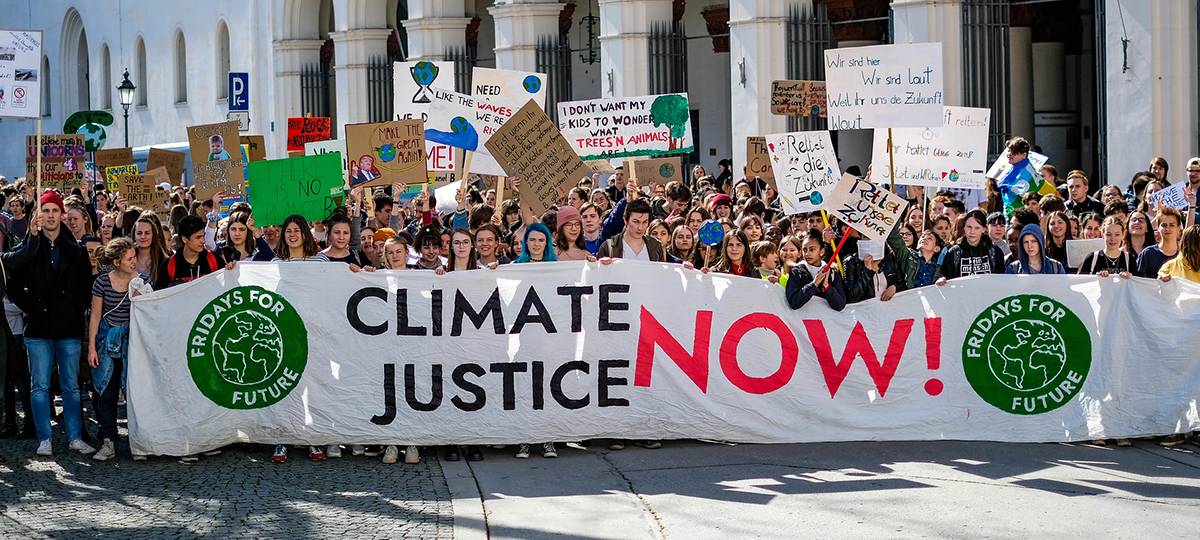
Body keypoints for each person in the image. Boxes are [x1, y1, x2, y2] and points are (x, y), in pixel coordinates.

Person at [7, 191, 95, 457]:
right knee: (40, 385)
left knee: (70, 385)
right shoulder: (30, 245)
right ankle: (44, 437)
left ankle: (74, 437)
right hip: (38, 327)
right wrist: (32, 307)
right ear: (38, 215)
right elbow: (13, 277)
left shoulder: (75, 250)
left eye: (55, 211)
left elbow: (84, 287)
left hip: (67, 328)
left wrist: (73, 309)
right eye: (45, 211)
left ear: (62, 215)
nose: (50, 216)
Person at [86, 238, 144, 461]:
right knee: (106, 393)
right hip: (106, 344)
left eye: (134, 257)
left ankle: (138, 442)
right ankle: (108, 441)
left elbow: (145, 315)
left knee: (135, 393)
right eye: (129, 258)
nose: (134, 261)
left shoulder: (141, 281)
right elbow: (96, 316)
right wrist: (92, 347)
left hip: (132, 344)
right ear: (117, 261)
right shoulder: (101, 283)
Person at [154, 216, 229, 289]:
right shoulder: (169, 265)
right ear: (185, 239)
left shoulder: (214, 259)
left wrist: (231, 269)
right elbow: (160, 296)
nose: (203, 241)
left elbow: (228, 286)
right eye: (198, 237)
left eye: (203, 236)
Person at [783, 229, 846, 311]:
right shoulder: (797, 271)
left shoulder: (832, 272)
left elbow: (840, 305)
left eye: (812, 249)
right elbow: (794, 302)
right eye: (804, 250)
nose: (807, 254)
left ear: (822, 251)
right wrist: (813, 284)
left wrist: (827, 287)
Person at [938, 209, 1005, 282]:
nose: (972, 231)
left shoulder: (995, 252)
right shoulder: (954, 252)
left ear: (983, 229)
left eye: (977, 228)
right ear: (964, 228)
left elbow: (1001, 280)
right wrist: (942, 279)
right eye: (969, 227)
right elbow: (945, 276)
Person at [598, 199, 665, 262]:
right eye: (636, 222)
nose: (640, 228)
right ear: (625, 220)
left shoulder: (655, 246)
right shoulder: (609, 247)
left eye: (644, 222)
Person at [1137, 207, 1183, 278]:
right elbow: (1138, 281)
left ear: (1179, 228)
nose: (1167, 229)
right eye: (1164, 225)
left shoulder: (1184, 254)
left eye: (1172, 225)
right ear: (1158, 228)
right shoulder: (1147, 254)